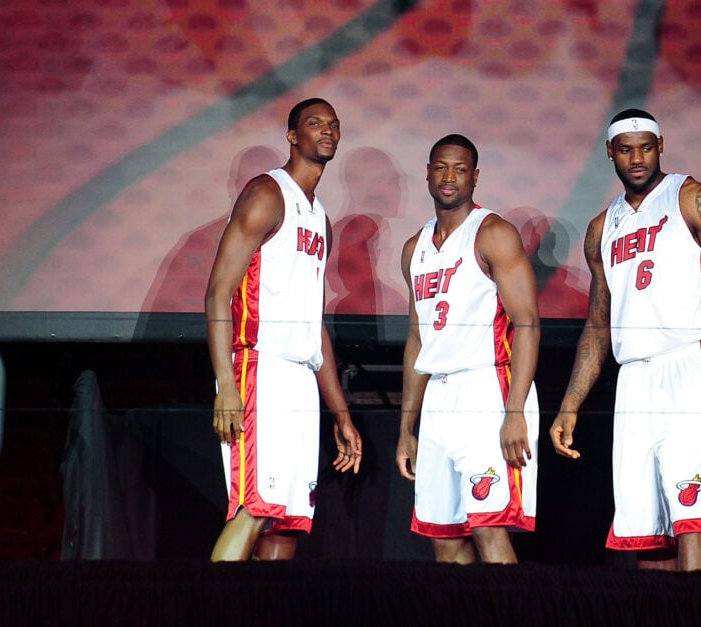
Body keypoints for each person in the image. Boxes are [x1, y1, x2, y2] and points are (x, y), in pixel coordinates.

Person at [549, 109, 701, 572]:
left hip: (693, 364)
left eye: (645, 147)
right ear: (610, 153)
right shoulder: (603, 228)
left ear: (661, 146)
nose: (636, 158)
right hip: (635, 378)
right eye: (625, 149)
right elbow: (597, 325)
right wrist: (570, 405)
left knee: (694, 516)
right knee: (647, 527)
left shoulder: (694, 199)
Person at [205, 98, 363, 561]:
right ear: (293, 136)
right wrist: (227, 388)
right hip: (260, 367)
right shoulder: (267, 194)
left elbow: (314, 327)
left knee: (285, 527)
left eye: (334, 124)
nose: (327, 130)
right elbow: (217, 293)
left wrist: (341, 414)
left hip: (299, 379)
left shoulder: (319, 218)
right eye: (315, 123)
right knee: (252, 510)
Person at [396, 134, 540, 564]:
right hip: (439, 398)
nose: (449, 177)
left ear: (475, 176)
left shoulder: (492, 233)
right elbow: (418, 339)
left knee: (488, 527)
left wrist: (514, 412)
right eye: (441, 167)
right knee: (445, 538)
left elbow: (528, 324)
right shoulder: (414, 248)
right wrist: (408, 427)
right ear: (427, 172)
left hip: (487, 389)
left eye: (460, 169)